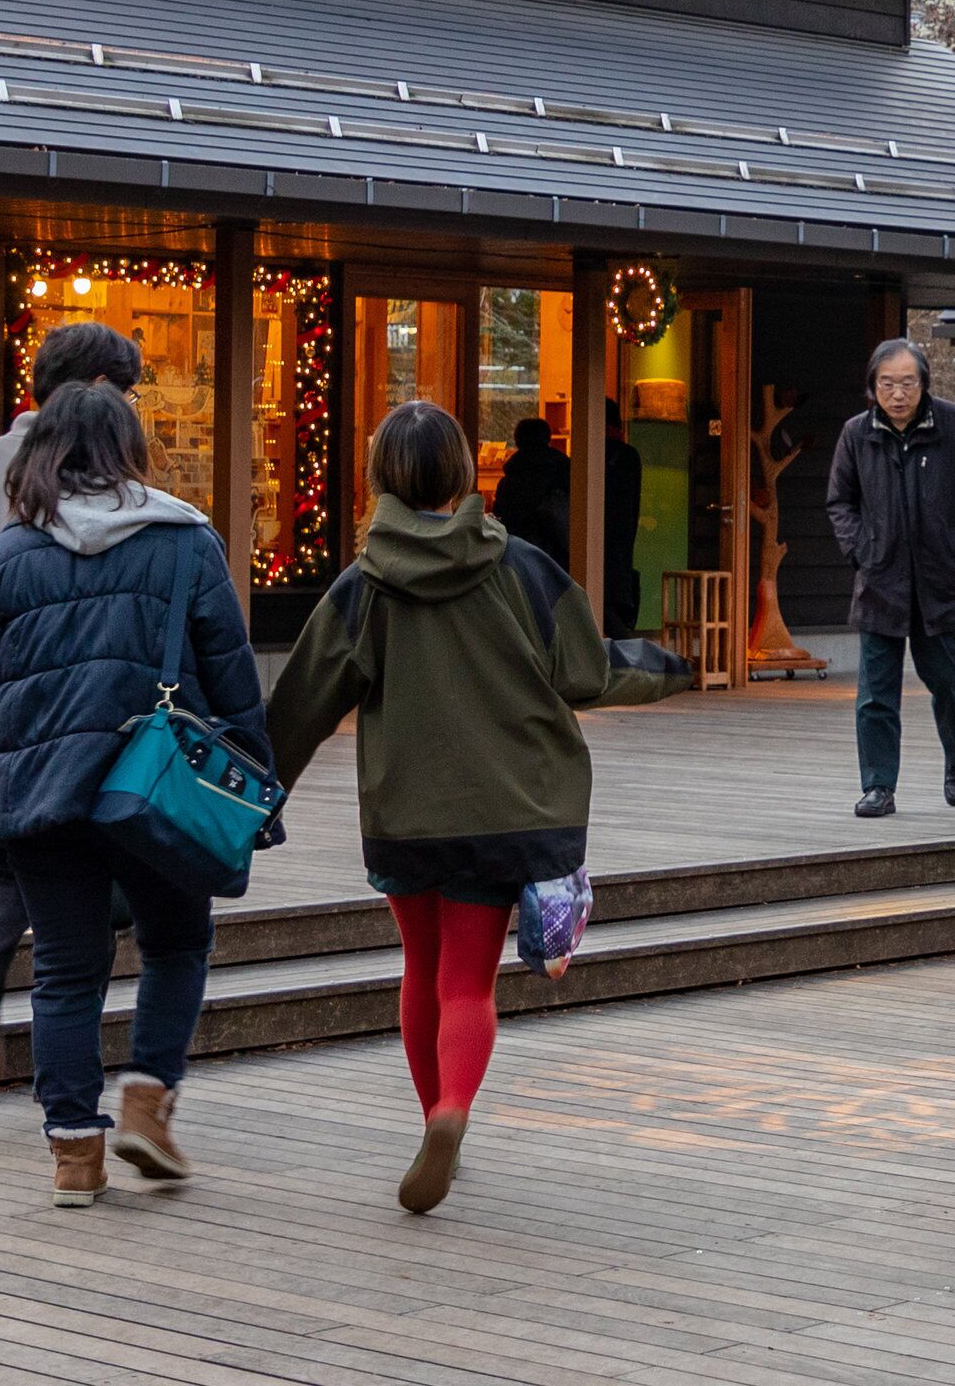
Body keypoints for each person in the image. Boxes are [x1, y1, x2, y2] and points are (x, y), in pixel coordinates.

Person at [268, 401, 689, 1214]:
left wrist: (256, 802)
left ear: (379, 478)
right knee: (470, 982)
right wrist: (668, 665)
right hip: (508, 809)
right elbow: (586, 673)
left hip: (403, 812)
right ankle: (456, 1111)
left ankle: (433, 1120)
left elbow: (301, 704)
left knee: (420, 969)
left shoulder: (363, 584)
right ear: (465, 473)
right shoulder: (523, 568)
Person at [0, 381, 261, 1209]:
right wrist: (258, 797)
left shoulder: (9, 556)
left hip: (40, 796)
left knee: (67, 974)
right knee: (177, 945)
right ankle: (148, 1100)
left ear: (45, 453)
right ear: (129, 449)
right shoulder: (188, 542)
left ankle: (75, 1157)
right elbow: (232, 679)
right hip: (156, 788)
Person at [0, 319, 147, 1087]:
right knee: (88, 871)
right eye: (126, 391)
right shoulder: (112, 481)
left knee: (5, 855)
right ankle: (75, 1093)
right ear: (97, 391)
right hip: (84, 705)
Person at [823, 338, 955, 818]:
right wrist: (860, 550)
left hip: (940, 581)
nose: (898, 393)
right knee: (876, 693)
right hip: (880, 580)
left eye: (907, 383)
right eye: (887, 383)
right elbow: (840, 501)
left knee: (952, 683)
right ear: (872, 387)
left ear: (924, 384)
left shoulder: (953, 425)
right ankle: (878, 785)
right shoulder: (857, 434)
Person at [491, 418, 571, 558]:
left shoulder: (511, 478)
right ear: (548, 438)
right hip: (559, 552)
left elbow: (501, 513)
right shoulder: (565, 471)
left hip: (519, 552)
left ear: (517, 440)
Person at [603, 400, 643, 639]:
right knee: (616, 593)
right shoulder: (628, 457)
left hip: (605, 536)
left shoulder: (594, 453)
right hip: (622, 537)